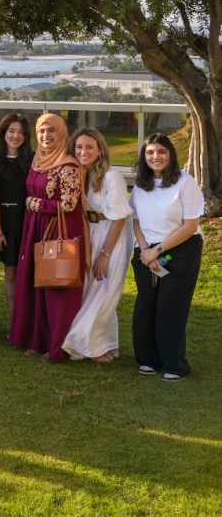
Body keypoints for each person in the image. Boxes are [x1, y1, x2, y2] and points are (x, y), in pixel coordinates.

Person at [9, 113, 86, 362]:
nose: (46, 136)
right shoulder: (37, 161)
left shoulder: (69, 165)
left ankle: (57, 346)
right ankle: (36, 339)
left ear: (62, 133)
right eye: (42, 131)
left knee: (56, 287)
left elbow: (69, 203)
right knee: (35, 283)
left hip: (58, 231)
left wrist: (34, 203)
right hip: (36, 229)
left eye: (51, 131)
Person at [129, 133, 204, 381]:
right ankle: (149, 359)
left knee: (170, 308)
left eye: (161, 151)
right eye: (150, 152)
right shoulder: (141, 184)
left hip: (180, 250)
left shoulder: (185, 182)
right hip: (146, 252)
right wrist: (144, 250)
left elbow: (190, 225)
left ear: (170, 154)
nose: (155, 156)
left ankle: (174, 365)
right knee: (145, 307)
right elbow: (136, 220)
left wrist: (158, 250)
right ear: (144, 157)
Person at [62, 128, 133, 363]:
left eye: (89, 147)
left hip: (113, 236)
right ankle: (104, 346)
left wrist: (105, 254)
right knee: (89, 292)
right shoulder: (80, 175)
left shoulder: (113, 177)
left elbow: (119, 218)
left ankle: (77, 342)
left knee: (104, 292)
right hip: (89, 233)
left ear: (100, 150)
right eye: (79, 147)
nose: (83, 151)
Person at [0, 114, 33, 318]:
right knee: (11, 274)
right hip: (7, 224)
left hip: (30, 222)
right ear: (3, 133)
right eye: (11, 131)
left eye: (21, 132)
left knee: (31, 274)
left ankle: (31, 323)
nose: (16, 136)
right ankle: (16, 322)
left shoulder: (34, 160)